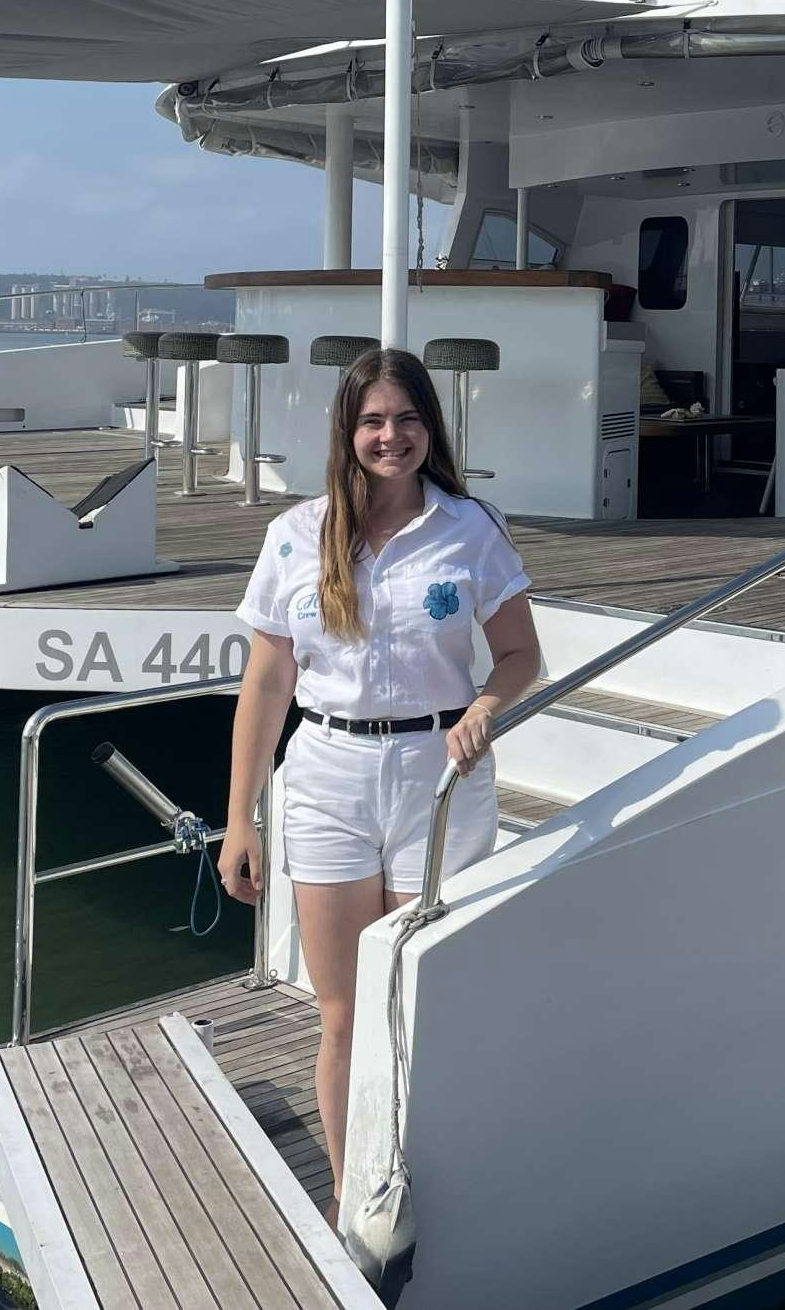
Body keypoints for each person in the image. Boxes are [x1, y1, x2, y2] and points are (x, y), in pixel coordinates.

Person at [216, 345, 540, 1186]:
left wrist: (484, 706)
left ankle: (431, 1174)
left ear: (430, 426)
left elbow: (520, 654)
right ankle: (354, 1191)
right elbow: (267, 683)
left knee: (425, 1004)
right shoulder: (295, 536)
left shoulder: (471, 528)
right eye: (372, 420)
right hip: (328, 778)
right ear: (346, 431)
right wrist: (240, 818)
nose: (390, 435)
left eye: (406, 418)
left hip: (438, 781)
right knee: (345, 1013)